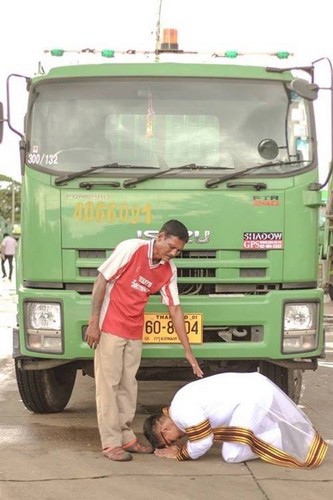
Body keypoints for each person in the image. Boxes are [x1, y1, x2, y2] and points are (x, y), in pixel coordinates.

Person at [85, 219, 203, 462]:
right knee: (109, 386)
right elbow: (101, 281)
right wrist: (94, 323)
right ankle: (110, 443)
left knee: (128, 385)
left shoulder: (169, 270)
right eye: (170, 247)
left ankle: (127, 437)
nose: (173, 253)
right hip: (110, 326)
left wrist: (188, 351)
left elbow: (175, 309)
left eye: (178, 251)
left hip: (134, 330)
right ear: (159, 237)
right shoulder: (132, 248)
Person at [143, 372, 328, 468]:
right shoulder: (178, 402)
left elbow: (204, 441)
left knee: (231, 455)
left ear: (165, 430)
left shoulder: (182, 413)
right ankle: (282, 431)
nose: (178, 440)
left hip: (252, 397)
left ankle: (284, 434)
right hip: (252, 393)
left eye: (172, 440)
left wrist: (180, 453)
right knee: (243, 437)